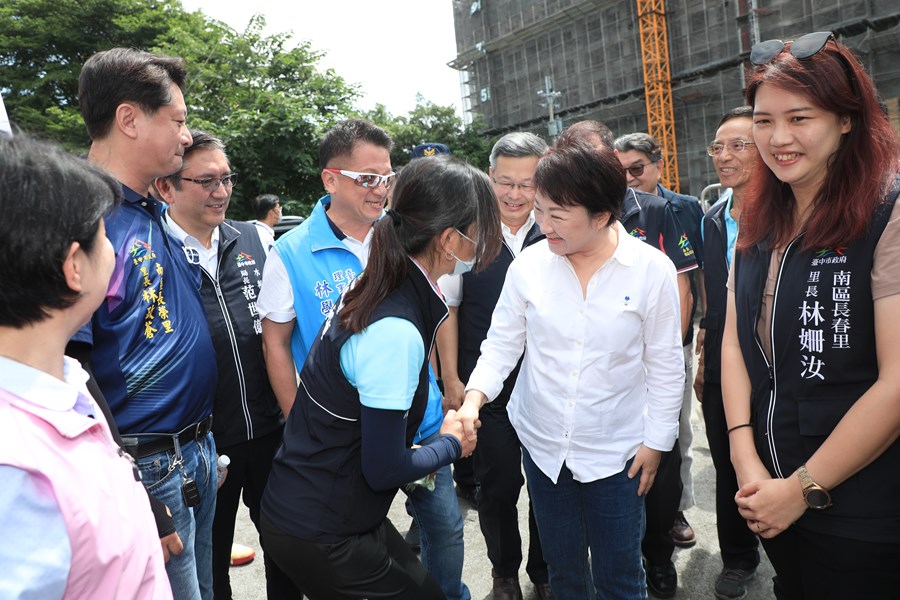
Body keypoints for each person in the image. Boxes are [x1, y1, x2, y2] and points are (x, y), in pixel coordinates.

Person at [259, 154, 500, 598]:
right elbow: (384, 467)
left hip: (324, 511)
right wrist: (453, 443)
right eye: (479, 232)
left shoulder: (383, 280)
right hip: (323, 530)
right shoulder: (394, 330)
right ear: (449, 239)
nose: (483, 245)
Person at [458, 140, 684, 600]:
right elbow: (502, 343)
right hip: (544, 449)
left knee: (620, 577)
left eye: (557, 214)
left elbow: (664, 365)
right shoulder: (531, 266)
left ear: (602, 214)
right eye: (540, 210)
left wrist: (656, 444)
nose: (543, 224)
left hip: (618, 452)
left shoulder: (650, 270)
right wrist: (473, 400)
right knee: (564, 575)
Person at [722, 31, 900, 598]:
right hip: (766, 487)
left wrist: (801, 490)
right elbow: (732, 343)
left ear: (846, 119)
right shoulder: (758, 219)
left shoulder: (886, 213)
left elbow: (896, 383)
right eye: (763, 120)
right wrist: (745, 458)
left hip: (862, 506)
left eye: (800, 118)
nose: (778, 139)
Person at [0, 134, 172, 598]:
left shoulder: (67, 383)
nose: (113, 247)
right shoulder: (14, 473)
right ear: (74, 266)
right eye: (103, 234)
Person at [76, 47, 219, 600]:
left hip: (194, 454)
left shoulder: (146, 209)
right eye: (178, 121)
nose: (186, 136)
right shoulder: (86, 217)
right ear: (129, 119)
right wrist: (135, 483)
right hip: (147, 466)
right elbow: (70, 367)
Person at [154, 131, 301, 600]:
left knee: (288, 546)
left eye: (226, 179)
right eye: (206, 181)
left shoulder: (256, 238)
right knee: (209, 563)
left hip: (271, 428)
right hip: (203, 444)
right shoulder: (154, 253)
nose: (221, 191)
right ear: (167, 187)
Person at [561, 120, 697, 598]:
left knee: (656, 474)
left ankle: (658, 558)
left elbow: (680, 290)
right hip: (590, 387)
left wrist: (659, 359)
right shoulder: (553, 227)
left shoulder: (655, 211)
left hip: (649, 368)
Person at [436, 131, 553, 600]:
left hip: (547, 387)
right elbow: (450, 309)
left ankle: (545, 572)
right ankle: (504, 573)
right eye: (506, 182)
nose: (515, 194)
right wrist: (452, 379)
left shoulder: (559, 228)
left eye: (527, 184)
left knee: (550, 487)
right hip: (486, 390)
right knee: (497, 485)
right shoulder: (467, 234)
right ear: (489, 178)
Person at [615, 131, 704, 550]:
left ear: (658, 165)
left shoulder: (683, 208)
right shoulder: (608, 211)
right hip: (624, 351)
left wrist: (676, 347)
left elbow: (688, 286)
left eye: (638, 168)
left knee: (674, 434)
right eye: (621, 171)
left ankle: (676, 510)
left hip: (671, 345)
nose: (630, 178)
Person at [693, 106, 762, 600]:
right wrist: (703, 358)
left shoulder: (794, 212)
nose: (724, 156)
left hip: (778, 367)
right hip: (720, 365)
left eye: (739, 145)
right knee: (727, 465)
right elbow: (712, 300)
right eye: (718, 146)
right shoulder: (712, 218)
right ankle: (738, 558)